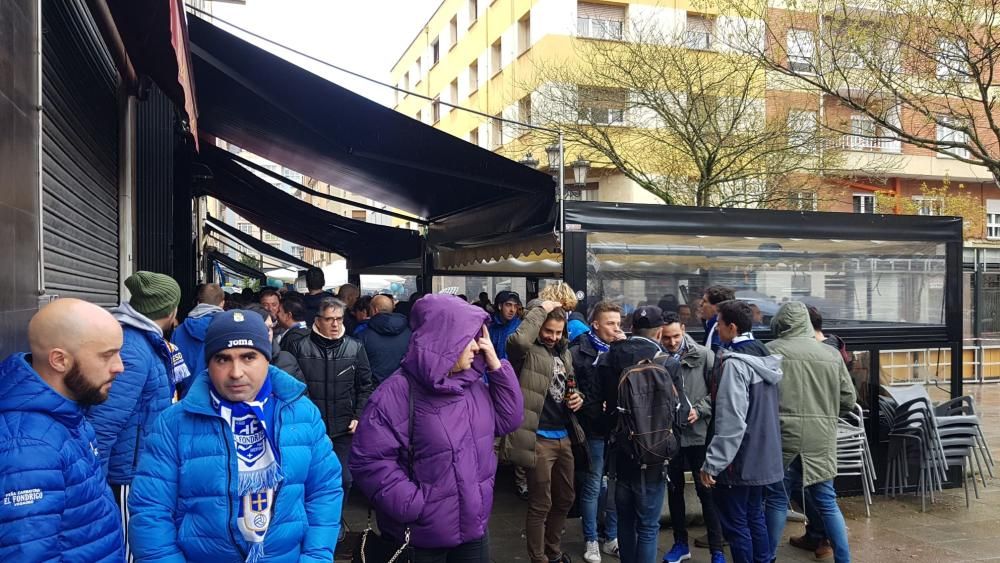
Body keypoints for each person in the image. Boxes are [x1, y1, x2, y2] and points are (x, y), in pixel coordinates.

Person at [128, 309, 343, 562]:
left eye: (249, 357)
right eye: (222, 359)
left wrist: (315, 557)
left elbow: (324, 491)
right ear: (208, 362)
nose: (236, 372)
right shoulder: (173, 423)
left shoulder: (302, 413)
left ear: (267, 358)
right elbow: (150, 510)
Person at [350, 295, 524, 561]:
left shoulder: (472, 386)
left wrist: (496, 364)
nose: (477, 346)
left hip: (472, 530)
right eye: (470, 338)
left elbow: (509, 419)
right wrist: (414, 505)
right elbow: (369, 460)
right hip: (420, 538)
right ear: (445, 340)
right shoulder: (395, 394)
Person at [0, 299, 126, 561]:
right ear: (59, 360)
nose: (119, 367)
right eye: (106, 355)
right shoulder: (29, 448)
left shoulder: (67, 413)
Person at [86, 271, 185, 557]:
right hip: (124, 475)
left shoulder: (141, 341)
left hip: (136, 466)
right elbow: (104, 421)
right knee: (131, 551)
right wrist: (95, 488)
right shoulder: (133, 348)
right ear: (171, 309)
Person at [763, 302, 855, 563]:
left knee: (777, 500)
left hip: (782, 436)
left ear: (779, 322)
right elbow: (849, 400)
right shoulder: (830, 354)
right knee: (826, 500)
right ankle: (844, 560)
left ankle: (766, 558)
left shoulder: (770, 352)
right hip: (820, 436)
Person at [700, 300, 783, 563]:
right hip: (762, 454)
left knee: (736, 525)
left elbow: (731, 420)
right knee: (754, 515)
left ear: (731, 327)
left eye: (719, 323)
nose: (717, 328)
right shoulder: (762, 354)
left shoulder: (734, 363)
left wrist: (712, 464)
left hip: (738, 458)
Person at [598, 306, 682, 563]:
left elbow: (600, 406)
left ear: (631, 328)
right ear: (659, 333)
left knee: (624, 519)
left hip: (620, 453)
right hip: (655, 455)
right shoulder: (667, 362)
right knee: (647, 526)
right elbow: (681, 412)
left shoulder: (609, 356)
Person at [284, 296, 373, 533]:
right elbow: (287, 385)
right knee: (308, 479)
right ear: (318, 321)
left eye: (339, 319)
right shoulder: (298, 346)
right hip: (309, 428)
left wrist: (358, 415)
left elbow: (366, 385)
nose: (335, 324)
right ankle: (311, 523)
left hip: (344, 427)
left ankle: (334, 521)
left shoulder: (355, 347)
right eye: (329, 319)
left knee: (344, 479)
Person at [504, 300, 580, 563]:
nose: (553, 337)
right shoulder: (528, 351)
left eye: (559, 332)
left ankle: (553, 549)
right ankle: (540, 558)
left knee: (566, 498)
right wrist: (541, 309)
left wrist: (577, 397)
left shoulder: (563, 352)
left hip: (563, 435)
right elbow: (518, 341)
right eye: (548, 331)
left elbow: (570, 385)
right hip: (537, 437)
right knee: (541, 502)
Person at [657, 311, 726, 563]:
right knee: (673, 492)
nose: (672, 342)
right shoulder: (657, 358)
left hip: (699, 435)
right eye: (666, 338)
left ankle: (717, 550)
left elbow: (717, 392)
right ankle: (679, 543)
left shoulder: (706, 355)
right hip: (671, 436)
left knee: (706, 491)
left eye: (676, 336)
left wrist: (701, 409)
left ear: (684, 329)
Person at [570, 301, 625, 562]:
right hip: (592, 428)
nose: (616, 328)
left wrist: (625, 351)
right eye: (610, 323)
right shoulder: (579, 351)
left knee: (613, 486)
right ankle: (591, 539)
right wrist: (595, 403)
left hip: (617, 429)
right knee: (593, 485)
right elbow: (575, 390)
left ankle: (611, 536)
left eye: (618, 323)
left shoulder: (622, 349)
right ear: (595, 324)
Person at [172, 282, 225, 396]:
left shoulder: (179, 331)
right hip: (220, 398)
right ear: (222, 303)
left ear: (198, 302)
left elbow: (172, 369)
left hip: (187, 397)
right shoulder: (229, 329)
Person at [358, 294, 412, 386]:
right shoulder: (410, 333)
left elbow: (359, 370)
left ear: (375, 310)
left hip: (374, 392)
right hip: (402, 389)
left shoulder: (362, 335)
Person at [244, 303, 305, 383]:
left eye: (270, 327)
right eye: (262, 328)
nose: (268, 332)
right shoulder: (234, 362)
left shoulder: (286, 359)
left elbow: (300, 393)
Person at [489, 290, 523, 360]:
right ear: (500, 306)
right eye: (508, 305)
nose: (512, 310)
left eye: (515, 306)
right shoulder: (490, 327)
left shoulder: (520, 327)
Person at [701, 286, 735, 352]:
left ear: (717, 306)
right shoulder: (710, 323)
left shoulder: (722, 329)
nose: (700, 304)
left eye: (705, 301)